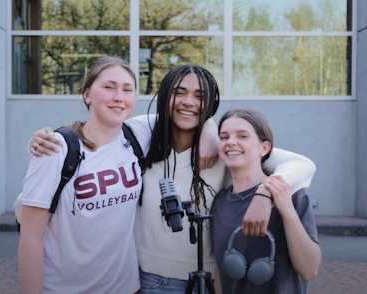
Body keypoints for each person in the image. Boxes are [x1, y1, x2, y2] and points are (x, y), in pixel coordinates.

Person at [29, 65, 316, 294]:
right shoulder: (139, 139)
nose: (189, 103)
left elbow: (302, 165)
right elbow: (96, 128)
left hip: (213, 282)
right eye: (180, 93)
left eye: (200, 96)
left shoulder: (226, 150)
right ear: (166, 95)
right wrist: (50, 137)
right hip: (151, 281)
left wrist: (264, 192)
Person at [19, 56, 150, 294]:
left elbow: (191, 115)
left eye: (127, 89)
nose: (119, 96)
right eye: (109, 87)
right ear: (87, 94)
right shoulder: (55, 148)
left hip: (126, 288)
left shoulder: (139, 133)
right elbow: (31, 238)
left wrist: (212, 134)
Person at [211, 108, 321, 294]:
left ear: (265, 148)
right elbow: (220, 273)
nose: (231, 142)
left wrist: (286, 211)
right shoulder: (219, 203)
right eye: (224, 137)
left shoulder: (291, 193)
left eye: (242, 136)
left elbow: (309, 270)